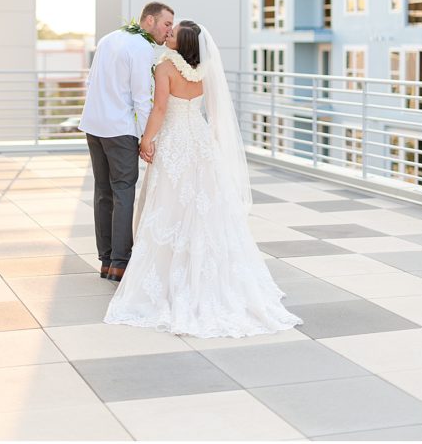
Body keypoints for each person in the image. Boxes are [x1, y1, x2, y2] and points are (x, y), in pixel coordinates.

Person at [103, 20, 302, 338]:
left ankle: (169, 280)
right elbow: (215, 114)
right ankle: (205, 276)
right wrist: (213, 148)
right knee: (204, 208)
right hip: (199, 140)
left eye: (174, 32)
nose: (168, 34)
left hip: (174, 141)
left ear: (182, 43)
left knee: (169, 206)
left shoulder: (165, 66)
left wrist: (146, 140)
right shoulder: (207, 70)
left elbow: (159, 109)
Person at [80, 2, 174, 283]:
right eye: (167, 24)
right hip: (119, 129)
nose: (169, 30)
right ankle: (121, 262)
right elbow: (142, 99)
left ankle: (107, 260)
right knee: (123, 193)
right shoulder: (142, 48)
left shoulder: (108, 39)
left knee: (103, 192)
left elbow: (92, 82)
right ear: (149, 21)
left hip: (94, 126)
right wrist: (148, 139)